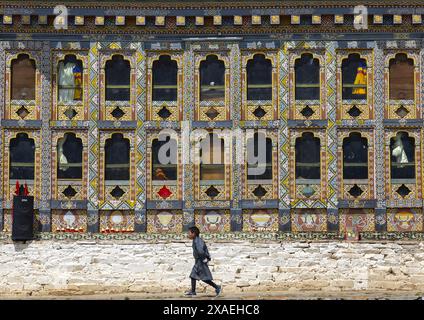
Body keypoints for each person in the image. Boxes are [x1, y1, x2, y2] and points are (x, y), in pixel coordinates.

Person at [185, 226, 222, 297]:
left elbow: (201, 251)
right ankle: (193, 291)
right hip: (199, 261)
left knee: (203, 277)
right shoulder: (196, 240)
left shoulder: (197, 241)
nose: (188, 234)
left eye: (189, 233)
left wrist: (204, 259)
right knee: (194, 276)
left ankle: (217, 287)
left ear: (194, 233)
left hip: (200, 261)